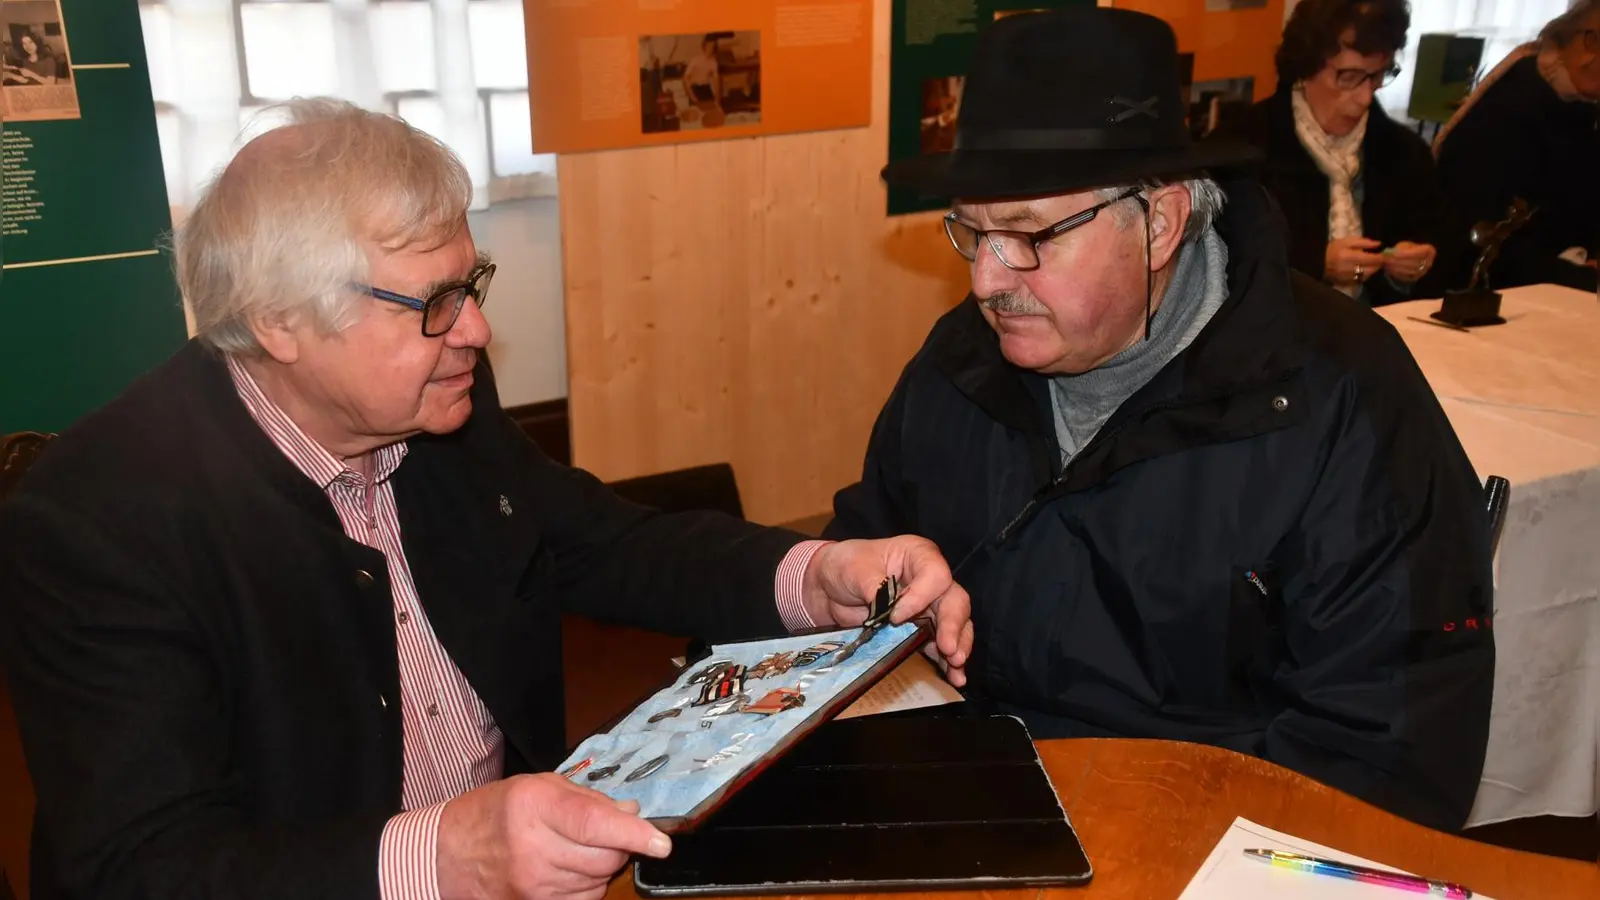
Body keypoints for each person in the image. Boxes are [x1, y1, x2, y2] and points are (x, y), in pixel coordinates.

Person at [0, 99, 974, 900]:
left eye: (474, 283)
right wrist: (448, 856)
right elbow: (138, 869)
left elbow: (598, 542)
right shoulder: (100, 522)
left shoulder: (434, 404)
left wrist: (819, 574)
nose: (476, 328)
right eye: (434, 303)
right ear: (278, 322)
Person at [827, 7, 1494, 832]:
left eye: (1029, 235)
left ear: (1161, 223)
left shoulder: (1342, 396)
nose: (988, 282)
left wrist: (1138, 840)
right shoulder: (959, 363)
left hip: (1207, 842)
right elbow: (862, 574)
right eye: (972, 232)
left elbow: (1391, 744)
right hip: (972, 810)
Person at [1211, 0, 1443, 305]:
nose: (1364, 97)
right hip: (1272, 338)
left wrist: (1413, 265)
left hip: (1379, 332)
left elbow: (1434, 243)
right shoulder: (1240, 147)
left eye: (1377, 76)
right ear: (1305, 67)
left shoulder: (1405, 153)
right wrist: (1313, 264)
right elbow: (1214, 260)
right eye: (1349, 76)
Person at [1433, 1, 1600, 294]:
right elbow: (1477, 234)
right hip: (1478, 288)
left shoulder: (1585, 111)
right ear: (1565, 37)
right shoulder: (1512, 106)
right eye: (1594, 39)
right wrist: (1575, 276)